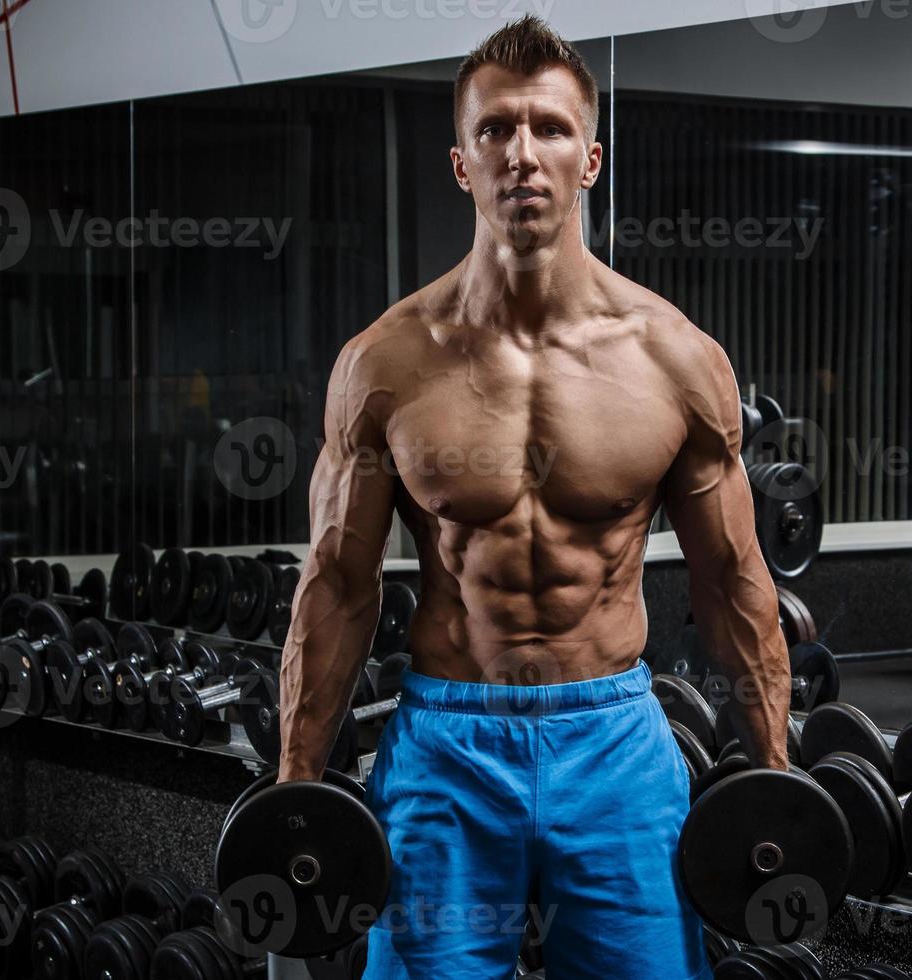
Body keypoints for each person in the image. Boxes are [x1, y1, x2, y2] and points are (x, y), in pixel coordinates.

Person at [276, 16, 790, 979]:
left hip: (617, 747)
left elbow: (731, 580)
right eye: (495, 130)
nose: (523, 154)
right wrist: (296, 784)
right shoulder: (385, 363)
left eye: (549, 129)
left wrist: (774, 773)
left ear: (590, 157)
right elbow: (338, 587)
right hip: (446, 744)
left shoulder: (675, 359)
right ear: (462, 164)